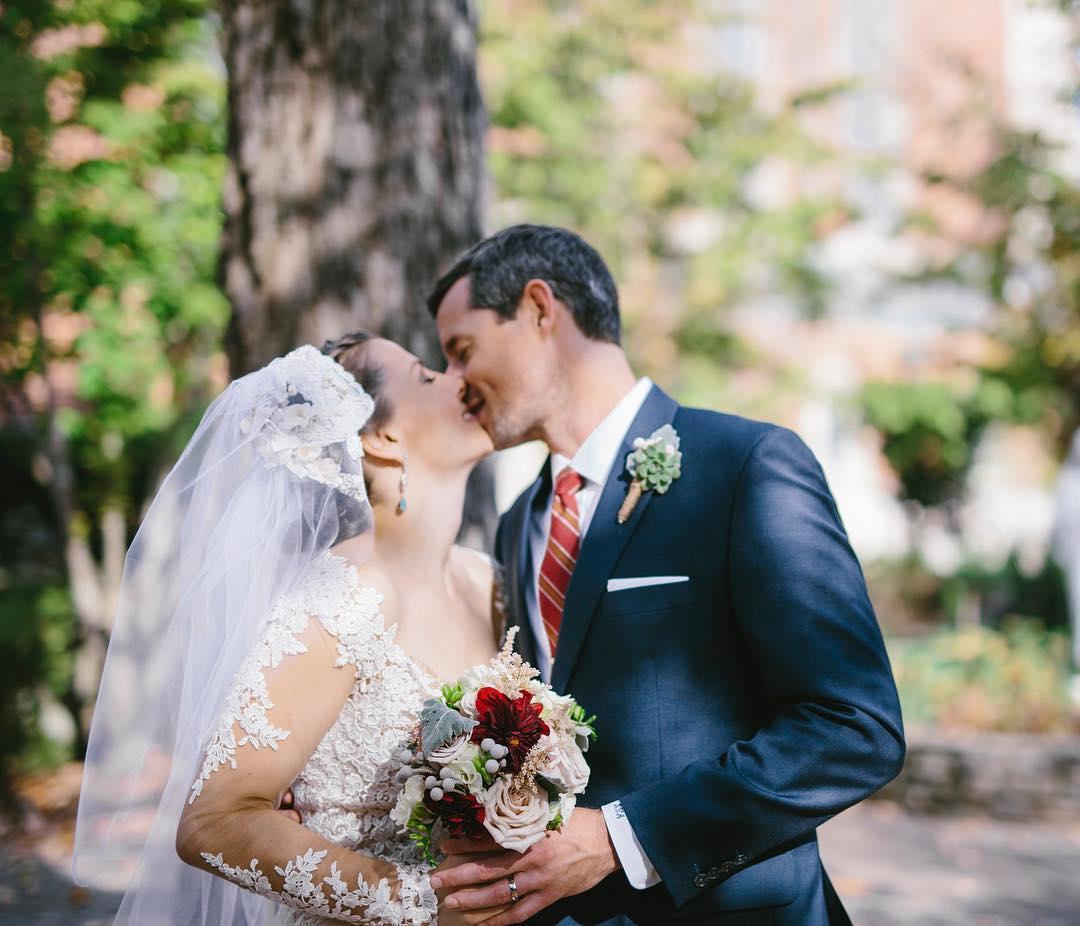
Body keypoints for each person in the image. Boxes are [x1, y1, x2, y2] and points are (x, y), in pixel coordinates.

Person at [426, 224, 906, 925]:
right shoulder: (518, 522)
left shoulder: (744, 467)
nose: (454, 383)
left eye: (462, 350)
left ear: (538, 309)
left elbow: (853, 728)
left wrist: (624, 838)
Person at [73, 339, 507, 925]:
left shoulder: (487, 581)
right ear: (382, 438)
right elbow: (213, 823)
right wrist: (427, 903)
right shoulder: (346, 598)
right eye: (427, 376)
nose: (460, 379)